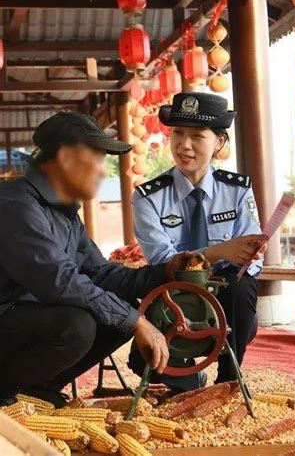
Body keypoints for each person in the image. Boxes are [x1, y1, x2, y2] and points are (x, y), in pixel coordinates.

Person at [0, 112, 200, 408]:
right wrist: (137, 323)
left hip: (25, 319)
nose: (101, 171)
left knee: (117, 311)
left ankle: (37, 390)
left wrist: (165, 271)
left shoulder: (64, 213)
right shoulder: (15, 205)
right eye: (94, 160)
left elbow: (102, 274)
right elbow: (59, 280)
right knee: (77, 325)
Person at [128, 92, 267, 392]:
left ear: (218, 142)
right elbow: (163, 261)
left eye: (197, 136)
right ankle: (189, 376)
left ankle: (229, 380)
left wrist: (250, 255)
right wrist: (216, 253)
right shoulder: (147, 198)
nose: (184, 144)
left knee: (242, 288)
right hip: (172, 301)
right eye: (177, 133)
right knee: (147, 366)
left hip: (225, 301)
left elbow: (254, 265)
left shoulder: (238, 191)